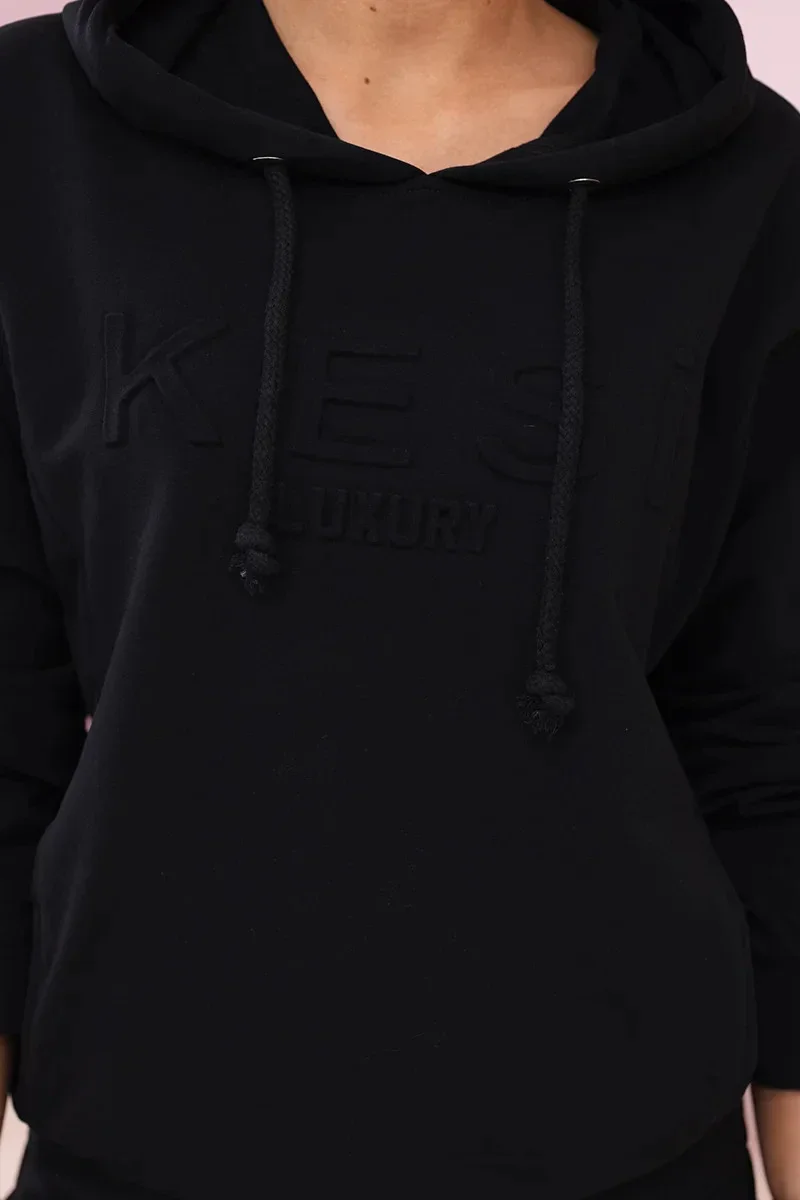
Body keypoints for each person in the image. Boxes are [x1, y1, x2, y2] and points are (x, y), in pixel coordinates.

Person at [1, 0, 799, 1195]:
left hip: (619, 1143)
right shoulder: (38, 124)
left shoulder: (749, 177)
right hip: (142, 1132)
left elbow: (768, 736)